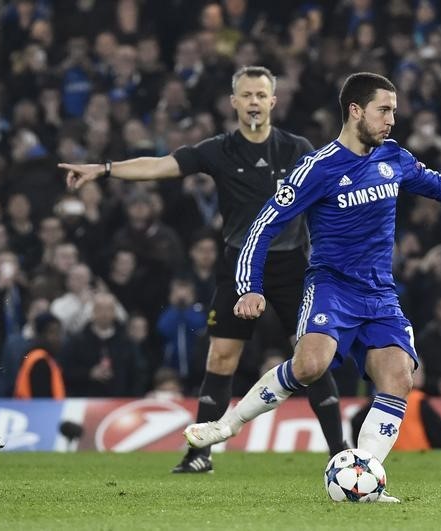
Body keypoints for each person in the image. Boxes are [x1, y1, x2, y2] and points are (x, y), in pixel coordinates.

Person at [183, 72, 441, 502]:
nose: (391, 120)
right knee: (311, 365)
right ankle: (229, 425)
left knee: (399, 377)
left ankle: (365, 479)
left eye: (394, 111)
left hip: (380, 293)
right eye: (384, 110)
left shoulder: (395, 158)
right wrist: (249, 287)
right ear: (355, 110)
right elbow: (263, 226)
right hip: (331, 286)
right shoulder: (318, 168)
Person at [59, 65, 346, 474]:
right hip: (237, 266)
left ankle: (341, 451)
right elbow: (159, 166)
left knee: (311, 358)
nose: (253, 103)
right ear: (233, 102)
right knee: (222, 358)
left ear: (273, 102)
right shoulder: (219, 150)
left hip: (290, 265)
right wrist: (103, 170)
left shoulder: (297, 148)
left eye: (261, 96)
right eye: (246, 95)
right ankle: (200, 455)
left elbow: (336, 187)